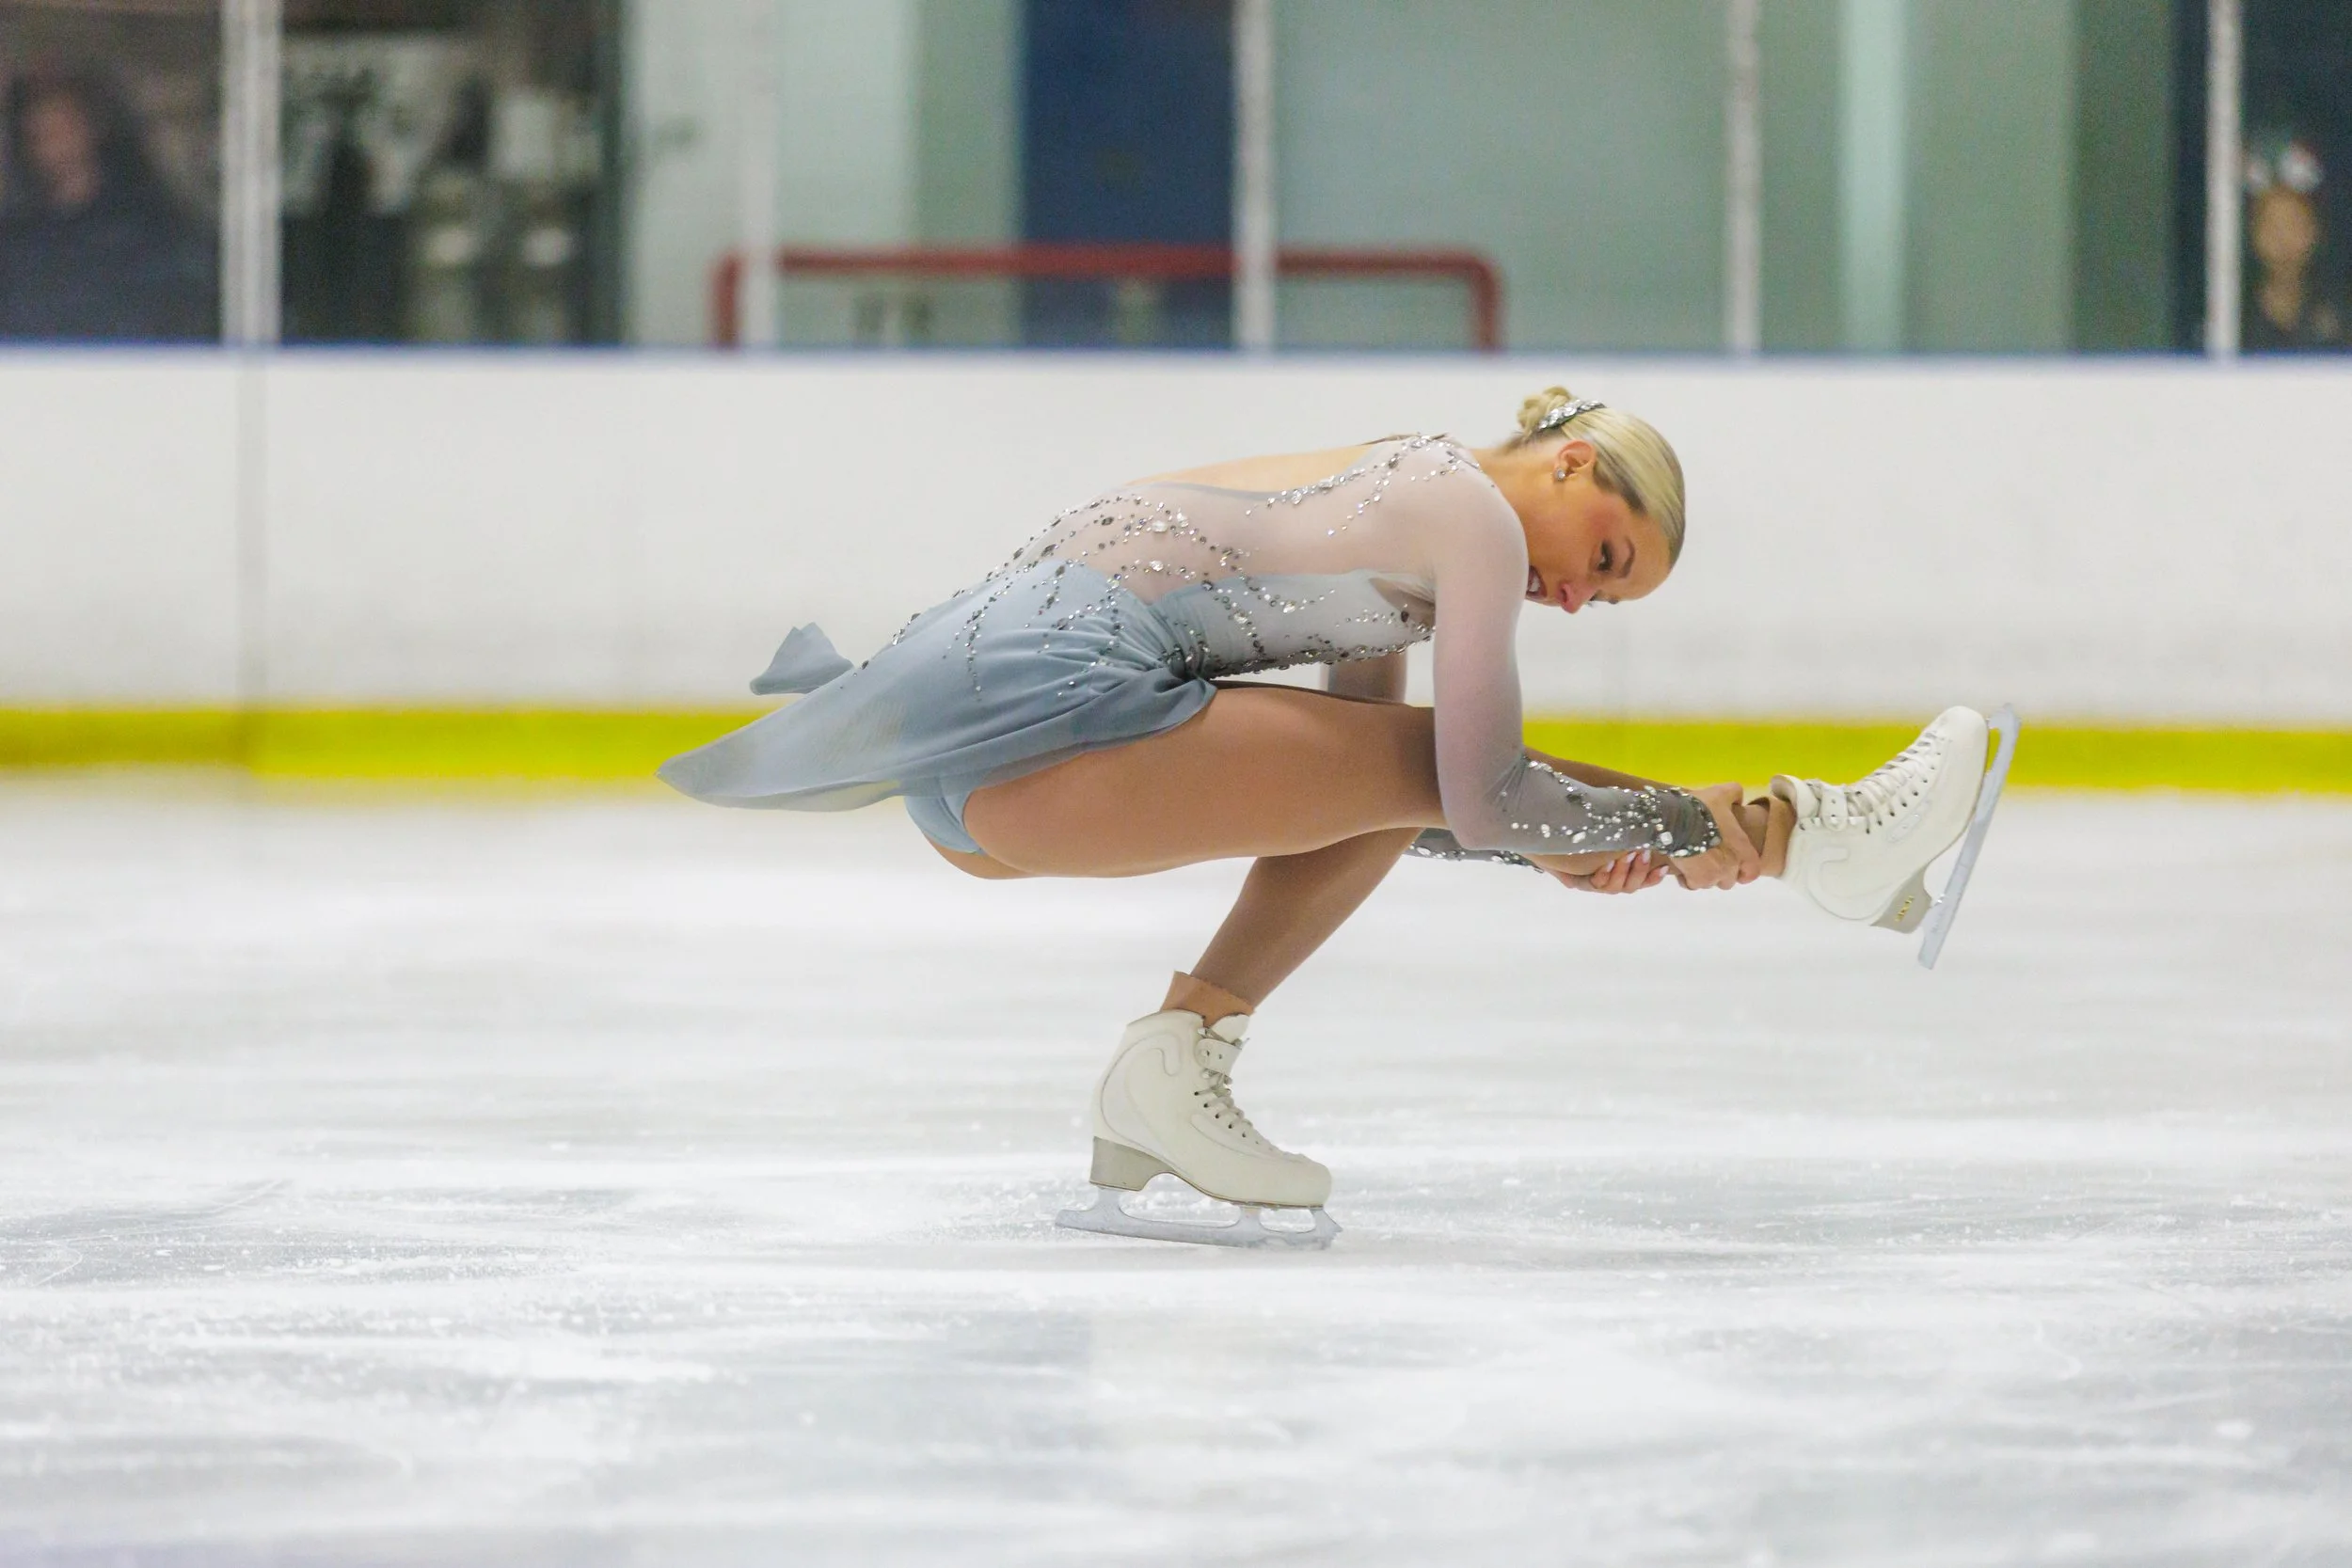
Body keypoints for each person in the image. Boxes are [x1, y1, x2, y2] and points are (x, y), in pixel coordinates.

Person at [661, 388, 2003, 1247]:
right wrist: (1638, 826)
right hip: (1044, 707)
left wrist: (1570, 835)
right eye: (1604, 556)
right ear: (1575, 458)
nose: (1580, 599)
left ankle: (1173, 1060)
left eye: (1610, 596)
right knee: (1426, 766)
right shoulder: (1468, 516)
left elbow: (1379, 803)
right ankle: (1813, 839)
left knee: (1390, 773)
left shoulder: (1410, 514)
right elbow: (1468, 791)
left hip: (990, 757)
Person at [0, 70, 215, 342]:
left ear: (91, 130)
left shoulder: (147, 226)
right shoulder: (19, 236)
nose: (52, 145)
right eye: (39, 134)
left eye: (61, 129)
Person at [2242, 133, 2344, 353]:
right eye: (2271, 224)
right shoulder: (2230, 318)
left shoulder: (2340, 316)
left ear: (2315, 230)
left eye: (2294, 223)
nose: (2282, 239)